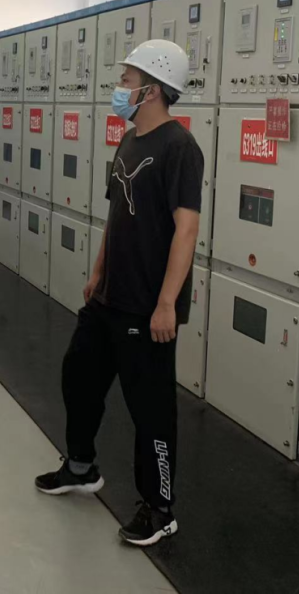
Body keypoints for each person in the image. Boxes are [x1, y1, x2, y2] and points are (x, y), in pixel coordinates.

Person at [34, 40, 203, 548]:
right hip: (108, 296)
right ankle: (81, 465)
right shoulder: (129, 140)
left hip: (147, 305)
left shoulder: (179, 147)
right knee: (78, 375)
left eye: (127, 80)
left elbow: (187, 230)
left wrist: (167, 303)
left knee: (150, 410)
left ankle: (160, 508)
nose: (120, 88)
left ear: (152, 89)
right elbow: (116, 215)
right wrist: (98, 271)